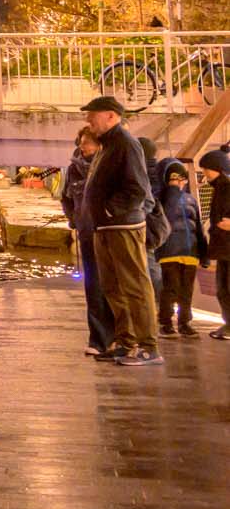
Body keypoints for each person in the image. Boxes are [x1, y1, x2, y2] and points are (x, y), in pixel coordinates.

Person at [80, 94, 161, 365]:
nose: (88, 119)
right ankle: (126, 342)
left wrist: (108, 210)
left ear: (111, 116)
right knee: (113, 287)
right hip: (105, 228)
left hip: (122, 226)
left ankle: (148, 346)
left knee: (135, 285)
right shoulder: (108, 145)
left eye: (93, 114)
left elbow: (137, 188)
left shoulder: (126, 144)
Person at [59, 127, 113, 357]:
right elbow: (67, 198)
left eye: (87, 143)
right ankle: (98, 339)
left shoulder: (110, 166)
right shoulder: (74, 170)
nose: (83, 147)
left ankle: (121, 337)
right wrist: (75, 219)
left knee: (114, 287)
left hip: (110, 233)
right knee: (94, 287)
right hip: (88, 234)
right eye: (81, 143)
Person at [155, 159, 204, 336]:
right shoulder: (163, 198)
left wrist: (203, 253)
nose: (179, 183)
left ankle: (185, 322)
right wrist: (172, 190)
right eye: (174, 179)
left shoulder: (191, 199)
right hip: (169, 251)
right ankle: (166, 322)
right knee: (171, 288)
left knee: (187, 290)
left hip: (189, 251)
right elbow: (166, 215)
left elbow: (198, 227)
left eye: (181, 179)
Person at [202, 147, 230, 340]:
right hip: (222, 248)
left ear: (218, 168)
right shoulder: (217, 190)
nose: (204, 173)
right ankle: (228, 325)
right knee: (222, 290)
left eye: (206, 169)